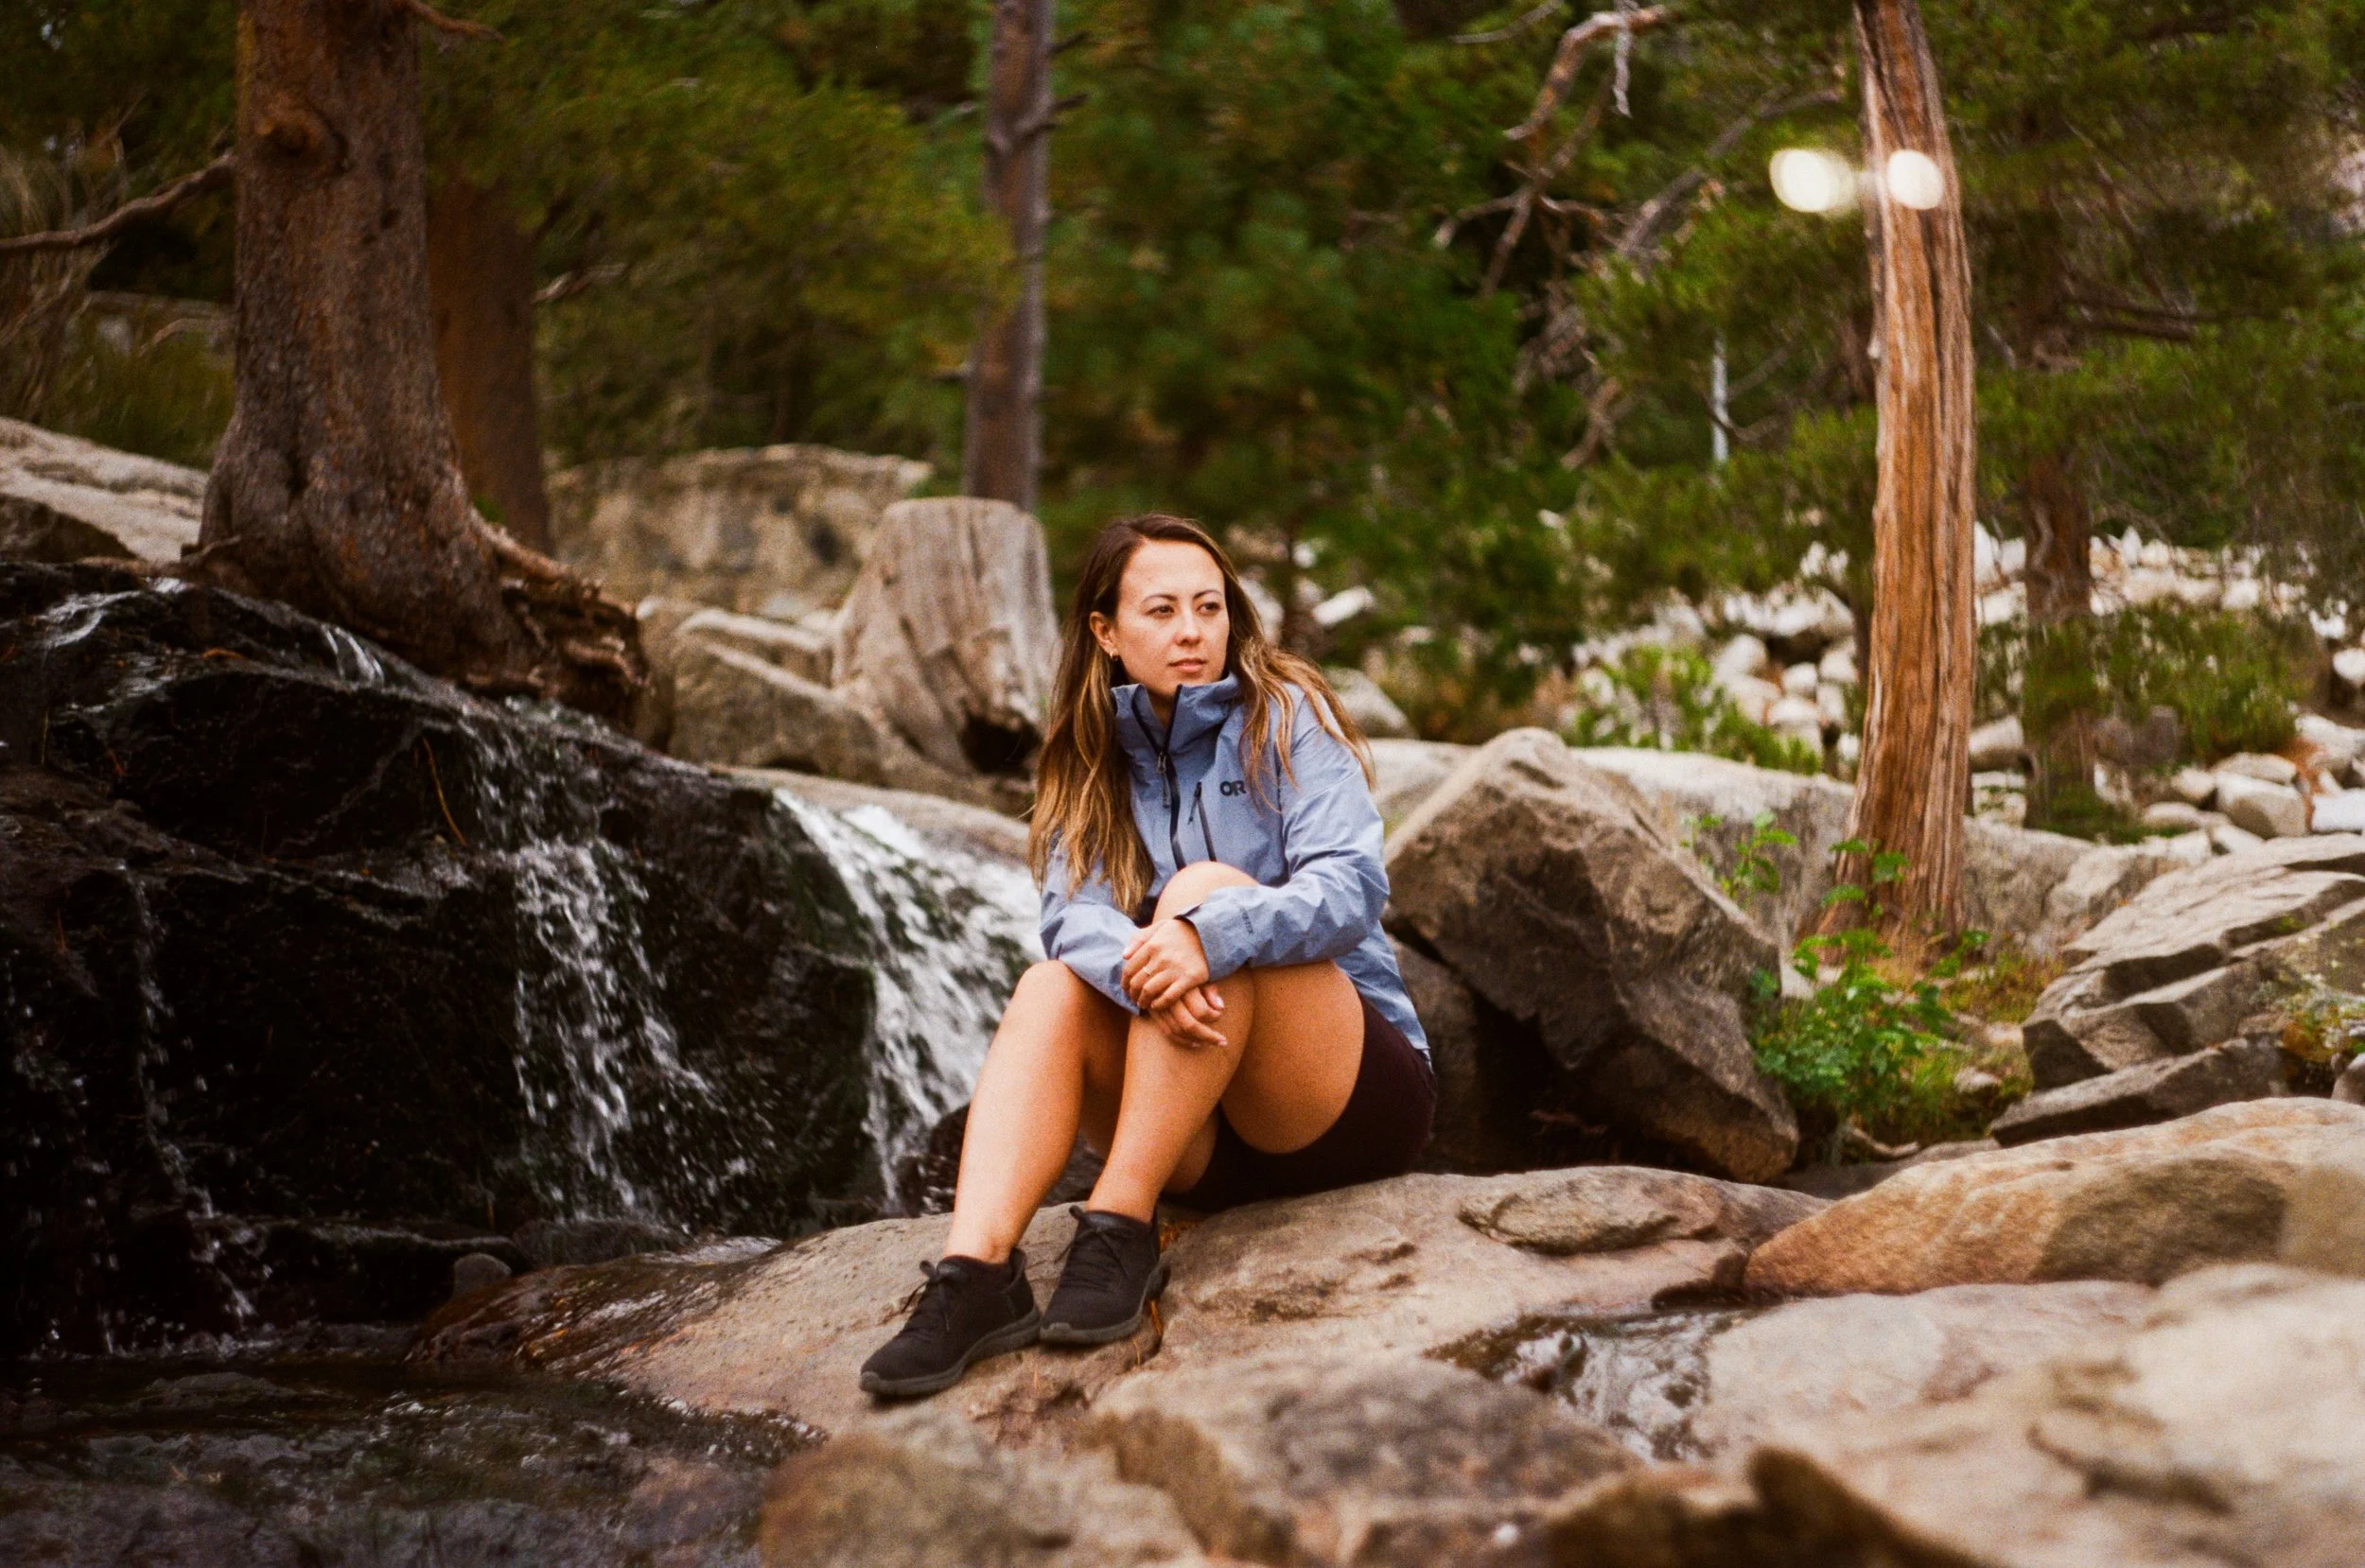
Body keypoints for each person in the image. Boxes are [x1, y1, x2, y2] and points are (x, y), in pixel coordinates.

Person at [859, 514, 1435, 1398]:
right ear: (1106, 632)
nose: (1193, 631)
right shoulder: (1087, 757)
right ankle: (975, 1275)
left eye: (1209, 608)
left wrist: (1206, 936)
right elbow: (1068, 921)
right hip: (1198, 1135)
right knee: (1052, 985)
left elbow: (1354, 886)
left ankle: (1118, 1224)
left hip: (1335, 1100)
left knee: (1204, 890)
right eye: (1162, 610)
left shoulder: (1285, 716)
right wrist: (1152, 963)